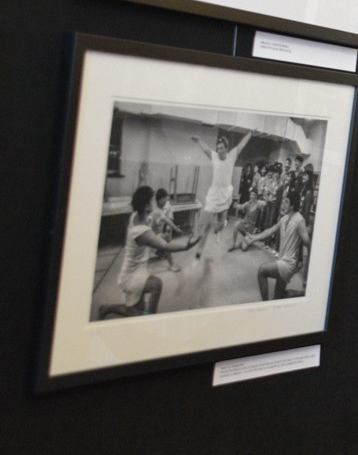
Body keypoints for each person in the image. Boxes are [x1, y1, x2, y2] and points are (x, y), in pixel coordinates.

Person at [97, 186, 200, 319]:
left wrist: (141, 179)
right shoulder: (141, 232)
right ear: (146, 206)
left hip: (137, 268)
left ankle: (108, 308)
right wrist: (186, 246)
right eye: (151, 201)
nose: (154, 203)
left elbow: (159, 220)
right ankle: (150, 319)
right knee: (156, 285)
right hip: (131, 275)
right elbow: (165, 246)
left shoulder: (137, 215)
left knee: (136, 312)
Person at [190, 130, 252, 264]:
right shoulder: (214, 156)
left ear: (226, 149)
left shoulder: (232, 156)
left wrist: (250, 133)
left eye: (221, 148)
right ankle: (198, 254)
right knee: (206, 226)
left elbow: (242, 144)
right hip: (214, 195)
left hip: (225, 194)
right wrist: (198, 139)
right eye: (217, 148)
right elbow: (206, 148)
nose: (219, 150)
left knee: (219, 227)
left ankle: (221, 224)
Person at [242, 189, 310, 300]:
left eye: (286, 202)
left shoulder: (299, 220)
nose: (282, 205)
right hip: (282, 259)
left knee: (262, 271)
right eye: (283, 201)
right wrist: (254, 238)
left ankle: (265, 305)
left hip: (288, 264)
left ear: (292, 206)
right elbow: (271, 230)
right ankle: (302, 294)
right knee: (278, 298)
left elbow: (307, 242)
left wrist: (304, 263)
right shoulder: (285, 218)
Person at [150, 188, 187, 272]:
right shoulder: (158, 211)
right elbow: (168, 221)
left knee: (166, 232)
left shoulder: (157, 207)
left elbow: (168, 218)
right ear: (159, 200)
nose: (166, 202)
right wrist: (178, 230)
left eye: (166, 200)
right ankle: (171, 265)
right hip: (150, 241)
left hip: (151, 238)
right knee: (166, 237)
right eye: (164, 200)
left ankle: (160, 252)